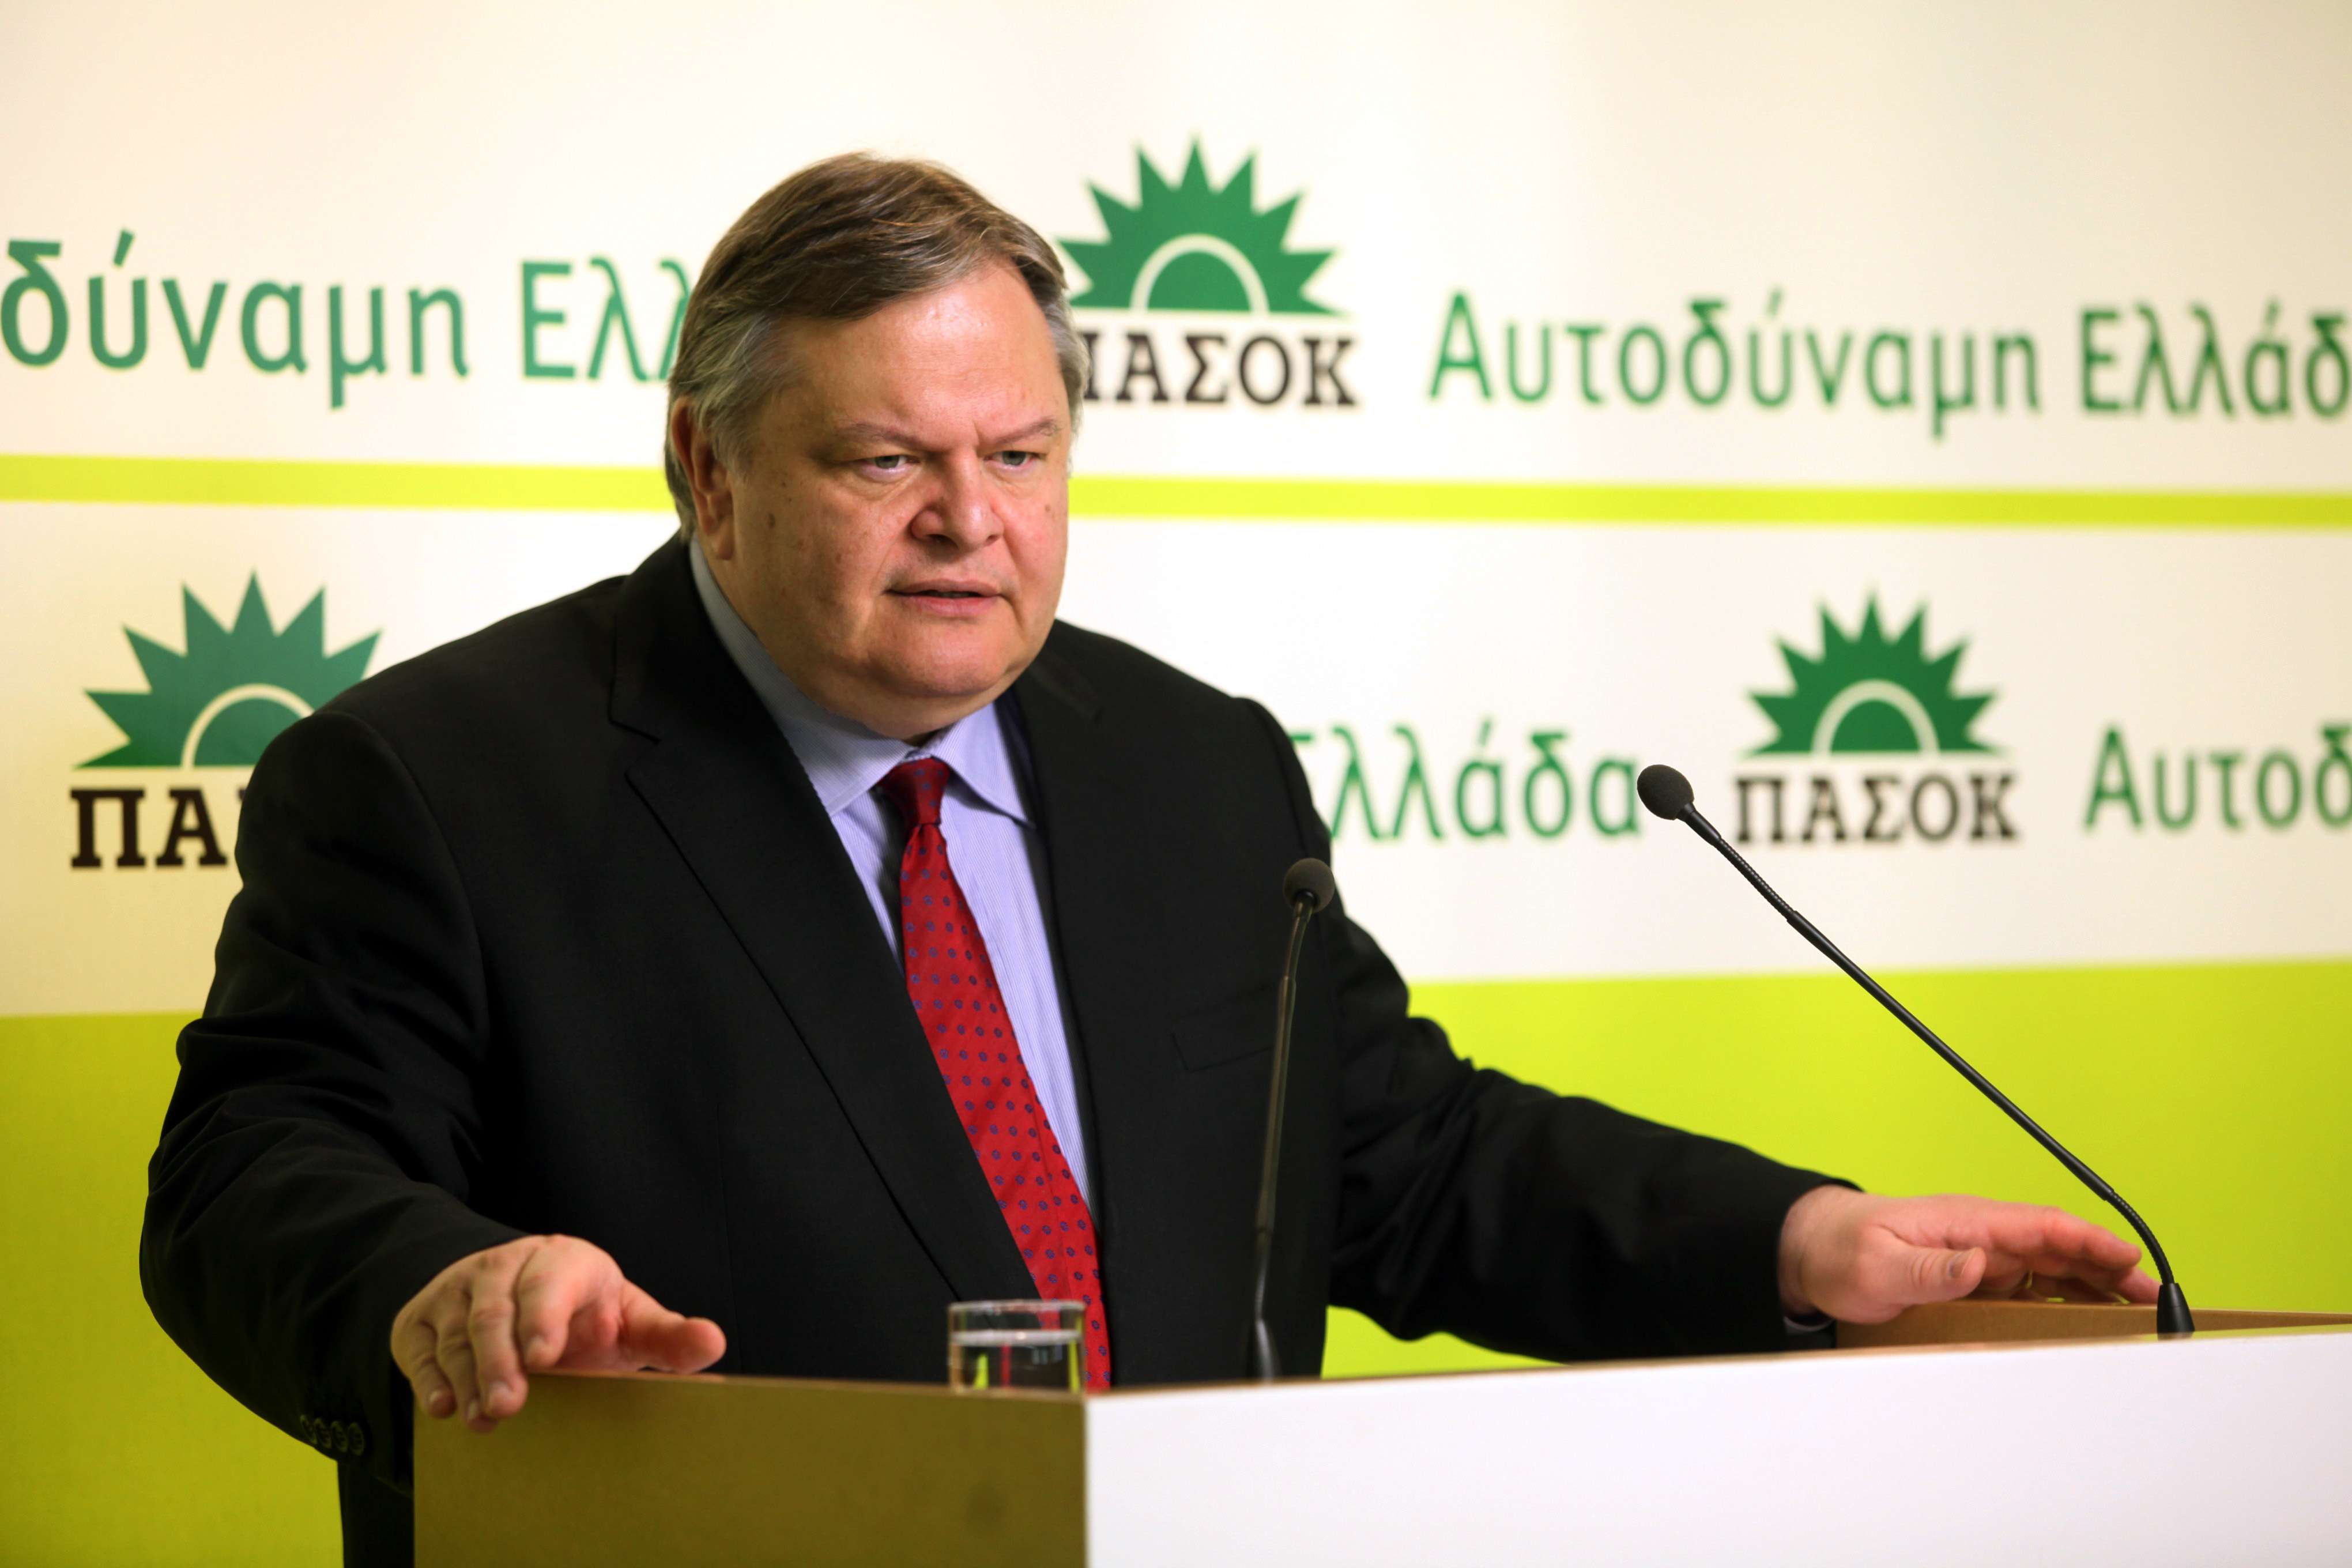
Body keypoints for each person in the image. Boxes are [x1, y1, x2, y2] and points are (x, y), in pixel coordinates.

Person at [142, 154, 2158, 1566]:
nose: (971, 521)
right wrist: (445, 1285)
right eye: (886, 460)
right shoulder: (436, 781)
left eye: (1019, 457)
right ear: (707, 468)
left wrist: (1796, 1245)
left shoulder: (1191, 768)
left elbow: (1394, 1158)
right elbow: (250, 1173)